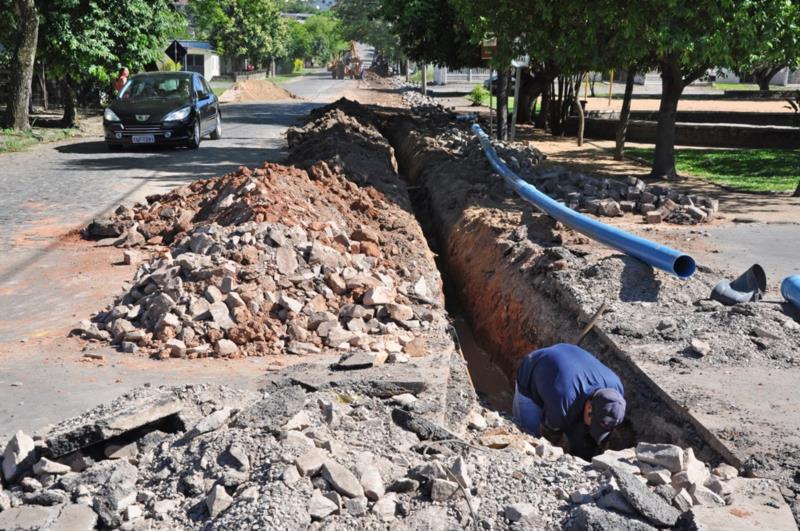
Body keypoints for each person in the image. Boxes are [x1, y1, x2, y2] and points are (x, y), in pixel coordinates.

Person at [514, 343, 626, 459]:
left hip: (570, 356)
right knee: (530, 436)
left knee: (581, 433)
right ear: (589, 408)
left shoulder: (616, 391)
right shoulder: (562, 405)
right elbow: (550, 436)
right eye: (595, 424)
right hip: (534, 369)